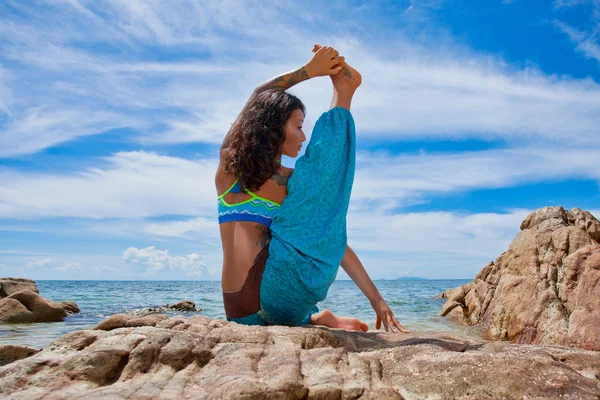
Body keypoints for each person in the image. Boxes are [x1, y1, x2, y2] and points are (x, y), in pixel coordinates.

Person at [215, 44, 409, 333]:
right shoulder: (286, 182)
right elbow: (259, 97)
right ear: (272, 129)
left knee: (316, 197)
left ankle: (314, 318)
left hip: (239, 310)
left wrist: (376, 298)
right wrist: (309, 71)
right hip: (270, 298)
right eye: (298, 126)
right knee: (318, 174)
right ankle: (344, 91)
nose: (304, 136)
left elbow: (329, 239)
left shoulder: (227, 173)